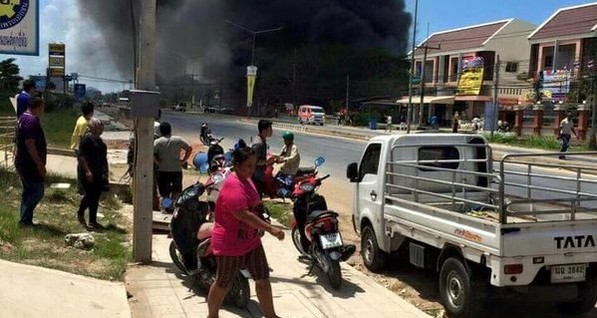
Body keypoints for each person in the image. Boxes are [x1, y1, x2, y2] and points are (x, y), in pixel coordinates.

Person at [207, 147, 285, 318]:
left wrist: (264, 217)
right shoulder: (232, 185)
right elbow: (243, 215)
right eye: (247, 166)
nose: (251, 169)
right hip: (230, 242)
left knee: (263, 278)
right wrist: (270, 229)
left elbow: (255, 205)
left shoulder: (247, 180)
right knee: (223, 282)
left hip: (251, 240)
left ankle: (271, 315)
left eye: (253, 165)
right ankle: (212, 315)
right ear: (236, 165)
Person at [15, 98, 46, 227]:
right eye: (42, 108)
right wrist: (39, 164)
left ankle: (26, 220)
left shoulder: (22, 117)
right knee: (37, 191)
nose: (43, 111)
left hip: (23, 161)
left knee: (28, 191)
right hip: (29, 163)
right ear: (37, 107)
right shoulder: (31, 121)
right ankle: (24, 219)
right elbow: (29, 143)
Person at [76, 118, 109, 230]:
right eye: (99, 126)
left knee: (96, 196)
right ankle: (81, 214)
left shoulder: (101, 143)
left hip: (98, 173)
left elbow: (104, 159)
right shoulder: (86, 140)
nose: (101, 128)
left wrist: (105, 172)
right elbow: (81, 156)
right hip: (87, 172)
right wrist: (87, 171)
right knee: (91, 195)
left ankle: (92, 221)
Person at [153, 122, 192, 210]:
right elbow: (189, 148)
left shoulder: (158, 142)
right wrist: (183, 160)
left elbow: (152, 152)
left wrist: (157, 161)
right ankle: (174, 207)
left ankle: (167, 208)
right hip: (176, 170)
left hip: (163, 170)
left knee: (165, 192)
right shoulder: (178, 140)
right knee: (176, 190)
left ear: (161, 131)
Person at [71, 102, 95, 195]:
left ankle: (81, 188)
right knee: (83, 168)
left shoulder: (81, 118)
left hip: (77, 146)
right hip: (80, 148)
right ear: (91, 112)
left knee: (81, 167)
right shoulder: (84, 123)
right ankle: (81, 189)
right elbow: (83, 138)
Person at [251, 119, 277, 196]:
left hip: (259, 175)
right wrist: (267, 162)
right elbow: (254, 161)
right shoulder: (259, 144)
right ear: (264, 130)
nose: (272, 131)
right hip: (256, 176)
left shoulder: (261, 141)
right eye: (270, 129)